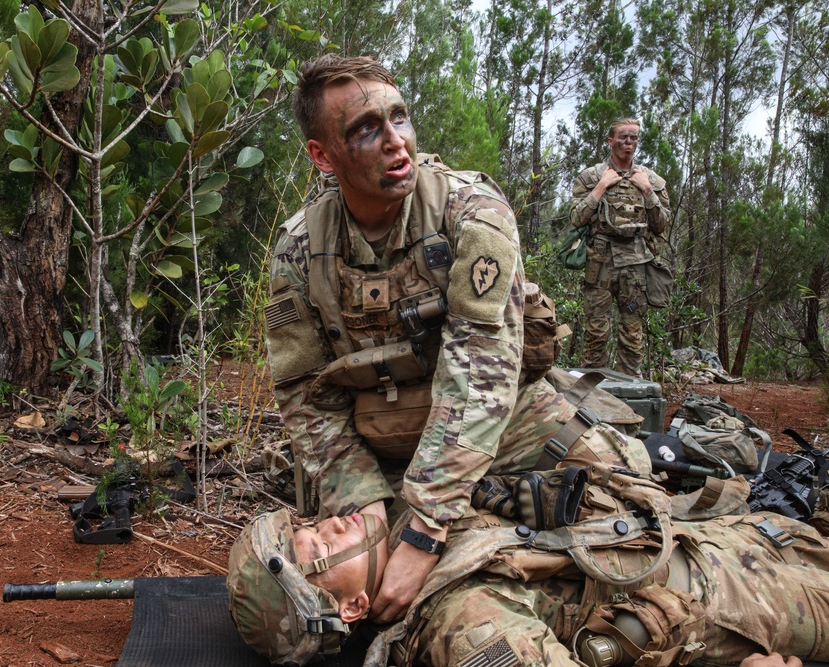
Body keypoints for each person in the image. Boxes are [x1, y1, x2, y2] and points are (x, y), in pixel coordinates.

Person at [264, 55, 650, 624]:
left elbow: (482, 376)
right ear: (323, 155)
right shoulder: (298, 251)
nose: (397, 142)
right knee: (375, 587)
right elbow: (304, 396)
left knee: (627, 496)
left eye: (400, 117)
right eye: (367, 129)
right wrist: (363, 504)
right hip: (383, 449)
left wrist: (423, 528)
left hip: (506, 420)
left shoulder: (472, 209)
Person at [227, 465, 829, 667]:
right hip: (742, 600)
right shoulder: (461, 622)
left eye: (307, 523)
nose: (328, 526)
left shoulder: (408, 526)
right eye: (314, 551)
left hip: (719, 537)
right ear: (352, 608)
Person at [569, 118, 671, 377]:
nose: (629, 143)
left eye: (634, 138)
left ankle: (629, 393)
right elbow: (576, 218)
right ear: (610, 141)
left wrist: (647, 191)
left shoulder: (652, 180)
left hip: (635, 266)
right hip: (600, 263)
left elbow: (661, 225)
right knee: (595, 333)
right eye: (624, 137)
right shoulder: (592, 177)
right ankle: (592, 397)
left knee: (632, 334)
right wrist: (601, 187)